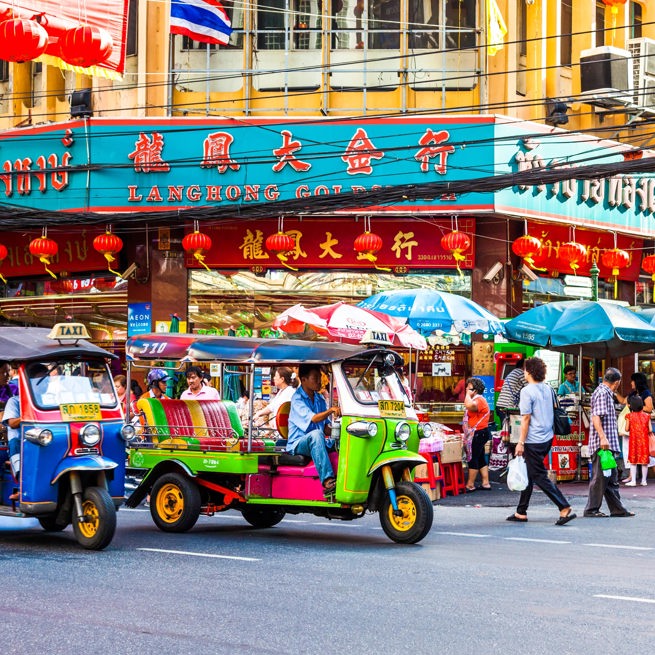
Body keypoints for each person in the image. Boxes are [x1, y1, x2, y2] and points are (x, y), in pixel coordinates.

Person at [507, 357, 576, 525]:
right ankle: (521, 511)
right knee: (530, 472)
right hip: (547, 437)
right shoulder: (548, 389)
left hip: (533, 439)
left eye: (525, 370)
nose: (523, 373)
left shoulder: (527, 391)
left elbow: (526, 419)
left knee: (538, 474)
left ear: (529, 372)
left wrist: (520, 442)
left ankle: (564, 506)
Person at [583, 367, 635, 518]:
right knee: (600, 478)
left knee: (610, 478)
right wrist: (602, 438)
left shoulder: (605, 393)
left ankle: (617, 509)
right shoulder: (602, 393)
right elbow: (596, 417)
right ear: (617, 383)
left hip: (607, 444)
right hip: (602, 445)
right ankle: (591, 509)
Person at [287, 364, 340, 496]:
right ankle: (327, 480)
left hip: (318, 441)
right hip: (298, 443)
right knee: (316, 434)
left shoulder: (319, 398)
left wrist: (340, 429)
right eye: (315, 378)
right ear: (304, 379)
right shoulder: (297, 399)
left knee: (342, 438)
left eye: (319, 377)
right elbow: (314, 419)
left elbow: (327, 429)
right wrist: (331, 410)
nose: (319, 381)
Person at [463, 377, 492, 492]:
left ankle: (470, 485)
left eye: (468, 387)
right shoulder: (478, 398)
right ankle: (486, 483)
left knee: (473, 458)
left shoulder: (478, 400)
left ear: (474, 390)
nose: (466, 389)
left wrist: (467, 394)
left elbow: (469, 406)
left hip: (478, 433)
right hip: (480, 432)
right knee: (480, 458)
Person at [624, 395, 650, 487]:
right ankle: (644, 481)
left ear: (631, 405)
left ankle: (633, 480)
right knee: (644, 461)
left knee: (633, 461)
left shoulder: (629, 416)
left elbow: (626, 429)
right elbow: (650, 429)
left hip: (634, 441)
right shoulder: (647, 416)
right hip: (644, 441)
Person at [496, 358, 527, 424]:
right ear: (524, 366)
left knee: (506, 428)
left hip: (501, 405)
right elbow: (529, 386)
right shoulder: (520, 372)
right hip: (506, 406)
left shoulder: (513, 372)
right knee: (507, 429)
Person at [3, 391, 20, 500]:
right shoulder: (14, 401)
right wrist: (28, 415)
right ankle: (23, 488)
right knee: (15, 445)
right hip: (18, 440)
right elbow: (12, 423)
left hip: (40, 437)